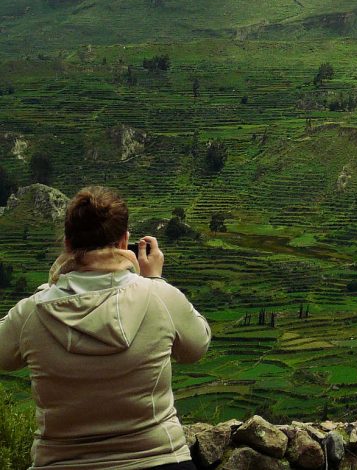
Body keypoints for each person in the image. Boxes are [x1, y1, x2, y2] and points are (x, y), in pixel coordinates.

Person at [0, 186, 211, 470]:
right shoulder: (158, 297)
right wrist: (157, 281)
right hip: (159, 459)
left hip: (61, 463)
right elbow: (197, 347)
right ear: (124, 242)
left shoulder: (33, 311)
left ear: (67, 244)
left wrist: (50, 288)